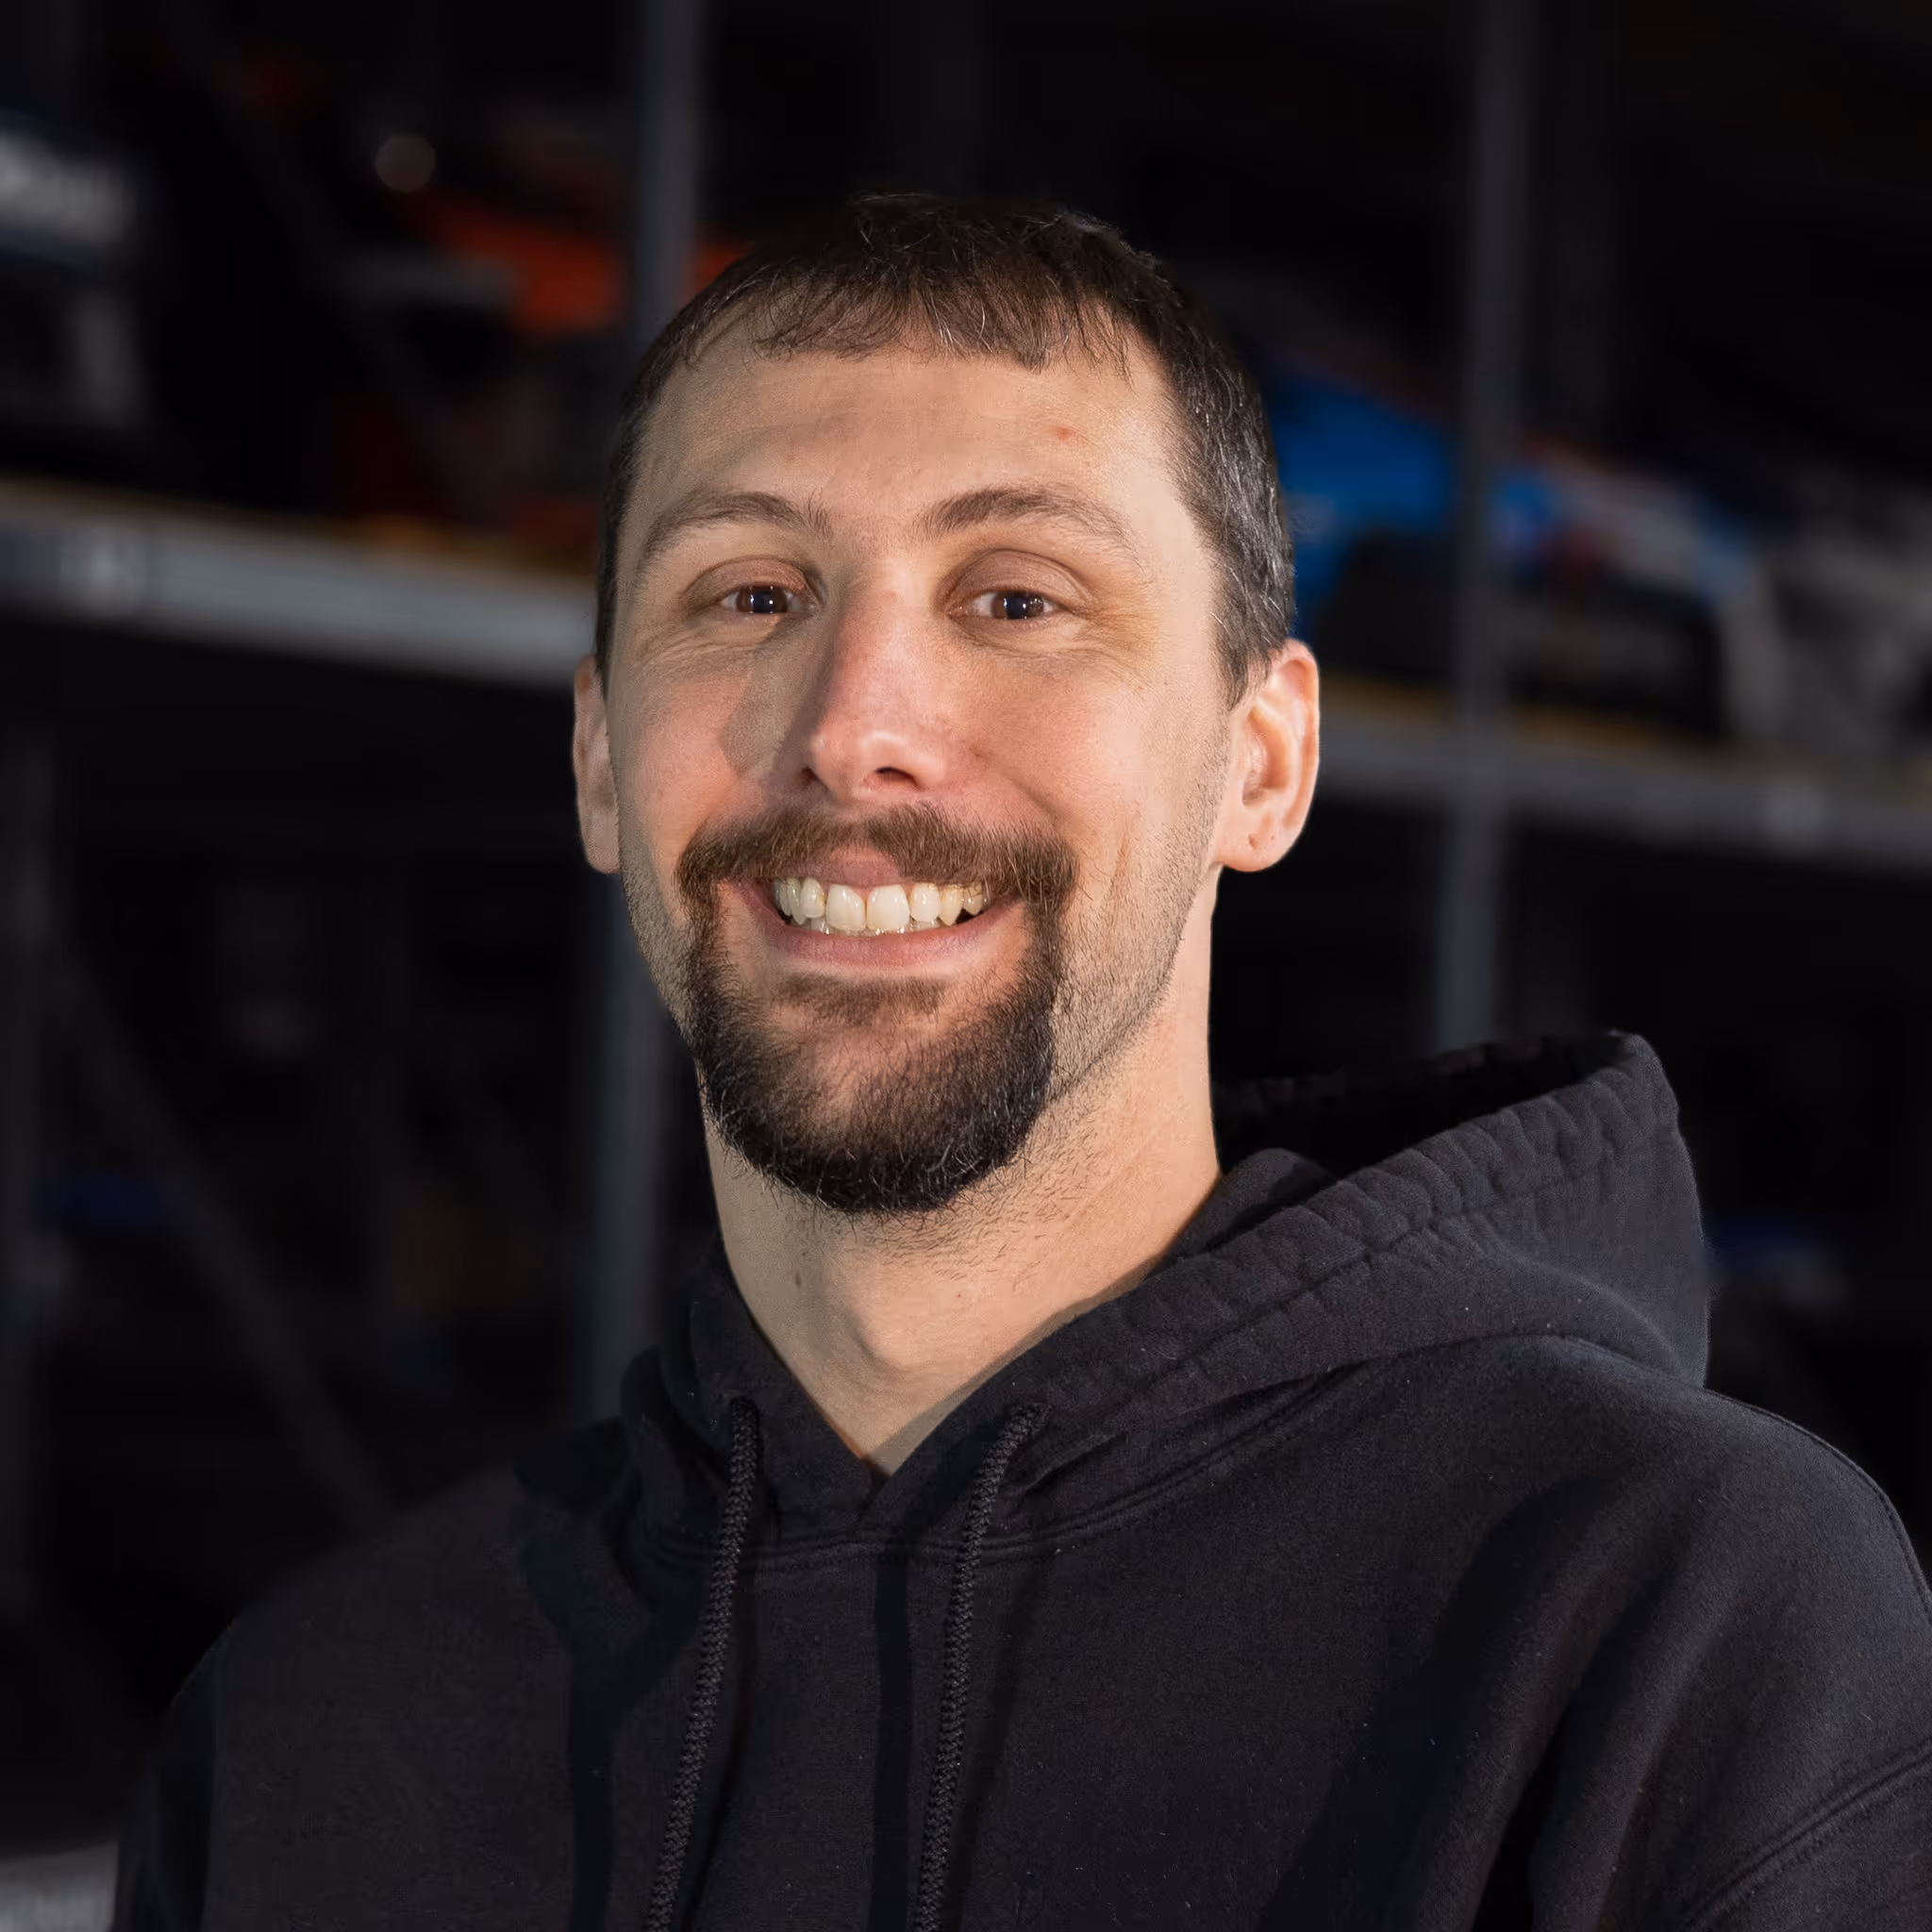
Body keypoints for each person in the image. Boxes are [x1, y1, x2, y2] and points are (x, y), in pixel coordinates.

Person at [116, 195, 1932, 1932]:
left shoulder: (1662, 1621)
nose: (854, 730)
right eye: (748, 593)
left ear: (1263, 763)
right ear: (601, 757)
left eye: (1017, 599)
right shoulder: (306, 1739)